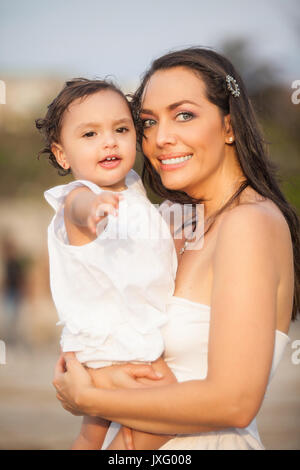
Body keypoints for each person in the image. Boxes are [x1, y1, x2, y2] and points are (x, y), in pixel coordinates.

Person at [53, 48, 300, 450]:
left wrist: (87, 397)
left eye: (183, 114)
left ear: (229, 126)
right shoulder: (166, 221)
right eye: (148, 122)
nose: (161, 138)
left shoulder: (249, 223)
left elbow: (234, 402)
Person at [37, 78, 179, 450]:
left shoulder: (133, 191)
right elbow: (78, 210)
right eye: (89, 134)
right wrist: (95, 212)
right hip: (111, 349)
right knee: (165, 416)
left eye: (120, 129)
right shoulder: (81, 196)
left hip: (115, 347)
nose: (109, 141)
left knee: (91, 434)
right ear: (62, 154)